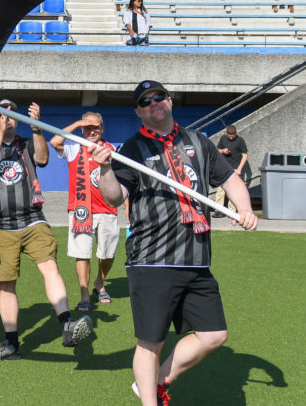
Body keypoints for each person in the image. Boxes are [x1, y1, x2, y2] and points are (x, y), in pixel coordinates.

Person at [92, 80, 258, 406]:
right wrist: (105, 167)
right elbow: (113, 197)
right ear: (139, 111)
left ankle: (154, 381)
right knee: (150, 342)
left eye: (159, 97)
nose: (154, 103)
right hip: (152, 260)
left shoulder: (199, 142)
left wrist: (246, 207)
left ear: (169, 101)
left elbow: (229, 179)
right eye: (146, 101)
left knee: (213, 335)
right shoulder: (132, 149)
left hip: (196, 259)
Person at [0, 99, 93, 362]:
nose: (7, 118)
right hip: (1, 227)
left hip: (33, 220)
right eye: (0, 114)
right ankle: (11, 344)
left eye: (11, 114)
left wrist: (37, 128)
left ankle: (66, 323)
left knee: (50, 266)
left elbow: (42, 158)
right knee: (6, 285)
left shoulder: (26, 144)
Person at [50, 112, 119, 311]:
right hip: (81, 210)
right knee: (82, 253)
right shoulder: (73, 148)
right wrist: (79, 122)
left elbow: (121, 179)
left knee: (107, 253)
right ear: (81, 129)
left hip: (107, 209)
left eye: (95, 127)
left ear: (103, 129)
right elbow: (55, 141)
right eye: (87, 127)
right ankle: (84, 294)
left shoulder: (111, 150)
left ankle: (100, 282)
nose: (91, 131)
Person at [215, 125, 251, 212]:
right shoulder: (223, 139)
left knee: (233, 191)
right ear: (227, 133)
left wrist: (239, 169)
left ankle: (232, 211)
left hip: (235, 168)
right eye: (229, 135)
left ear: (236, 133)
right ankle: (218, 210)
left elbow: (245, 155)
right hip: (224, 168)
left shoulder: (240, 141)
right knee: (220, 190)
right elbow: (217, 150)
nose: (231, 137)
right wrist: (223, 151)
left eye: (232, 135)